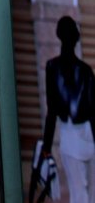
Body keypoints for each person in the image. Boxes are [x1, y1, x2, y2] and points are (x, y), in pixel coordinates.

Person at [41, 16, 95, 203]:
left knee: (80, 195)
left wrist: (46, 148)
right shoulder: (85, 70)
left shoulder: (53, 67)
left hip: (75, 133)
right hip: (83, 133)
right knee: (87, 195)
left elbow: (52, 111)